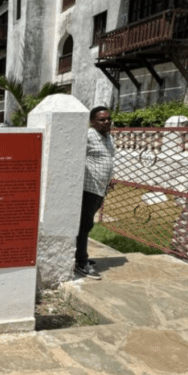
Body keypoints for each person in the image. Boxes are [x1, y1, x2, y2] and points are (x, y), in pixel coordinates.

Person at [75, 106, 115, 280]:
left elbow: (107, 159)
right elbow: (77, 158)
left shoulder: (109, 138)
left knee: (87, 225)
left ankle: (80, 256)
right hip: (88, 188)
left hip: (101, 188)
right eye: (102, 119)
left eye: (108, 119)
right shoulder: (88, 135)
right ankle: (80, 261)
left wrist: (110, 178)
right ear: (92, 121)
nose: (106, 122)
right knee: (84, 225)